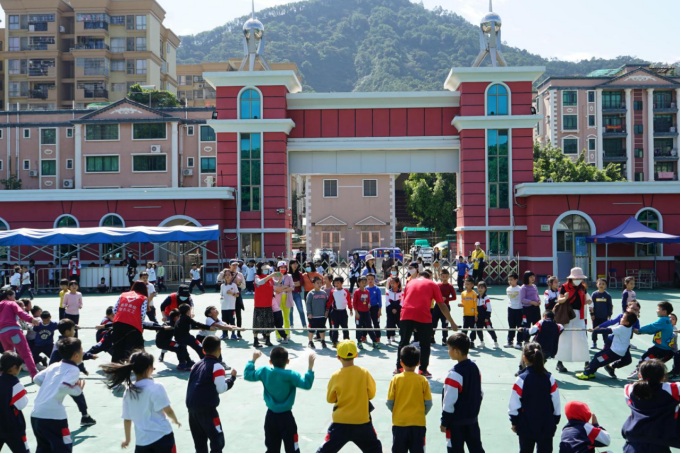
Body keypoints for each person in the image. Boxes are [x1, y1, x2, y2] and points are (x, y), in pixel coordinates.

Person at [101, 351, 181, 452]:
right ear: (149, 368)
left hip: (142, 442)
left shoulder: (128, 391)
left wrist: (127, 439)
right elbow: (168, 410)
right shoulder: (156, 387)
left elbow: (127, 419)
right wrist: (175, 420)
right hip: (163, 437)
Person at [316, 340, 382, 453]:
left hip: (340, 423)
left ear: (338, 357)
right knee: (374, 449)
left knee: (325, 450)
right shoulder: (364, 373)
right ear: (356, 355)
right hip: (362, 421)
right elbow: (371, 394)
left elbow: (330, 399)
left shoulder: (336, 376)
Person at [245, 347, 315, 453]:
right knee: (292, 448)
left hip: (271, 417)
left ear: (270, 361)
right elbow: (306, 384)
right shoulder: (291, 375)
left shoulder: (264, 371)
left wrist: (253, 360)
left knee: (272, 448)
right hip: (286, 418)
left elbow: (248, 375)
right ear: (287, 361)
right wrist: (310, 368)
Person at [396, 271, 457, 378]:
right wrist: (452, 322)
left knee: (404, 342)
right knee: (425, 344)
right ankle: (423, 370)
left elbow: (404, 300)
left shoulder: (410, 283)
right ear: (430, 277)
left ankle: (399, 368)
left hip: (406, 314)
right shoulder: (433, 284)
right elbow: (442, 305)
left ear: (419, 275)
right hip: (423, 316)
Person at [31, 337, 86, 453]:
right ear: (76, 355)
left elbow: (36, 378)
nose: (83, 351)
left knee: (43, 448)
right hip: (54, 417)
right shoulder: (74, 369)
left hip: (36, 414)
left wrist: (50, 387)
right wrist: (77, 390)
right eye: (82, 349)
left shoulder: (54, 365)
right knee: (63, 448)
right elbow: (63, 386)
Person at [186, 336, 237, 453]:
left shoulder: (195, 365)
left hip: (192, 411)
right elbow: (221, 388)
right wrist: (232, 379)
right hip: (207, 411)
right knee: (217, 441)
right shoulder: (217, 366)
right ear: (219, 350)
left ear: (203, 350)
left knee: (200, 445)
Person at [509, 342, 562, 453]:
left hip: (526, 425)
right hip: (546, 424)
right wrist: (555, 419)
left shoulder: (521, 379)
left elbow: (514, 404)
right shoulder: (550, 378)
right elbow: (556, 401)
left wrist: (514, 421)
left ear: (524, 358)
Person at [621, 359, 680, 453]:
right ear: (663, 376)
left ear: (639, 375)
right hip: (660, 442)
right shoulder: (674, 389)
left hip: (633, 442)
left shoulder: (629, 389)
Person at [441, 333, 484, 453]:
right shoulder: (475, 368)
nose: (448, 351)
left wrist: (444, 422)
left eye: (449, 348)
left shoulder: (454, 374)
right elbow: (480, 393)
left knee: (455, 449)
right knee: (476, 449)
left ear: (456, 351)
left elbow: (449, 402)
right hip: (472, 420)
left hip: (455, 423)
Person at [387, 345, 432, 453]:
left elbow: (389, 402)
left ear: (401, 362)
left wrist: (397, 411)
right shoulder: (423, 380)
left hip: (399, 423)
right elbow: (428, 403)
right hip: (418, 424)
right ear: (418, 363)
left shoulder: (396, 379)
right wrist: (421, 413)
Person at [576, 310, 637, 380]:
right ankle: (592, 372)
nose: (621, 318)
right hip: (621, 353)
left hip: (613, 352)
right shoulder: (630, 327)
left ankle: (586, 374)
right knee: (600, 359)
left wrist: (594, 330)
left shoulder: (621, 328)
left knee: (598, 358)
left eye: (623, 318)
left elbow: (607, 330)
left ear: (627, 322)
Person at [555, 267, 590, 373]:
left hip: (579, 315)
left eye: (580, 278)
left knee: (582, 337)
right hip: (568, 314)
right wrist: (565, 298)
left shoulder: (583, 287)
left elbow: (586, 299)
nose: (578, 280)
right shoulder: (564, 287)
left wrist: (588, 301)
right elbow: (559, 300)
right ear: (571, 278)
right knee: (564, 337)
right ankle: (559, 362)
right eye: (576, 278)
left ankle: (586, 362)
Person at [627, 301, 676, 379]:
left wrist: (639, 331)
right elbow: (654, 329)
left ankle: (639, 372)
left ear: (664, 311)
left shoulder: (663, 320)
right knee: (654, 363)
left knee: (644, 359)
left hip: (660, 349)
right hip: (666, 350)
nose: (657, 310)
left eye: (658, 309)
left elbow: (651, 327)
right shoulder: (667, 320)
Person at [594, 300, 642, 378]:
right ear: (627, 308)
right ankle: (591, 366)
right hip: (612, 341)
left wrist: (634, 327)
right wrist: (599, 327)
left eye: (636, 310)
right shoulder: (622, 316)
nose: (634, 311)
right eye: (632, 308)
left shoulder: (635, 320)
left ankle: (611, 367)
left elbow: (638, 330)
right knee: (603, 357)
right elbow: (611, 322)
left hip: (624, 343)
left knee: (627, 360)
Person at [0, 288, 39, 378]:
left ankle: (7, 377)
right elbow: (21, 313)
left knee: (9, 357)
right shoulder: (11, 303)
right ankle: (34, 375)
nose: (15, 298)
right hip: (14, 332)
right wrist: (31, 319)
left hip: (2, 334)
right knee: (26, 354)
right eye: (14, 295)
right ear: (9, 296)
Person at [111, 281, 148, 363]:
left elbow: (114, 310)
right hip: (133, 326)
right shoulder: (143, 298)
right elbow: (142, 315)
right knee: (132, 350)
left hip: (118, 323)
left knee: (117, 349)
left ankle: (115, 368)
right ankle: (133, 366)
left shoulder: (123, 295)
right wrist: (140, 327)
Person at [0, 352, 30, 453]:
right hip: (12, 427)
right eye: (19, 366)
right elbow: (21, 404)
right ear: (13, 367)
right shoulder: (15, 384)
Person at [517, 310, 564, 376]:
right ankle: (541, 370)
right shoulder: (559, 326)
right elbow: (561, 329)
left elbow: (531, 331)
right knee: (541, 359)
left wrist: (523, 329)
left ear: (545, 316)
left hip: (537, 348)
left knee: (526, 351)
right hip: (550, 351)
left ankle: (521, 370)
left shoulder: (542, 322)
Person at [253, 263, 279, 348]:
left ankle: (268, 340)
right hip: (259, 304)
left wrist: (280, 276)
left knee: (268, 323)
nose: (266, 270)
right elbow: (260, 282)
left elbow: (277, 283)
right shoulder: (257, 276)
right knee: (257, 323)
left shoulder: (270, 278)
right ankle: (255, 340)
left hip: (268, 304)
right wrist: (270, 275)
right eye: (264, 268)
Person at [353, 276, 377, 350]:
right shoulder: (356, 292)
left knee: (369, 326)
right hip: (359, 313)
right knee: (359, 327)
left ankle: (374, 341)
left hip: (366, 312)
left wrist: (369, 304)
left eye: (365, 282)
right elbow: (354, 303)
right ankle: (359, 342)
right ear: (358, 283)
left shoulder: (367, 291)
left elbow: (368, 300)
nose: (364, 284)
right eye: (362, 282)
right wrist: (356, 312)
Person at [433, 269, 456, 346]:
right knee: (434, 322)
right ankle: (432, 337)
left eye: (446, 276)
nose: (445, 278)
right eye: (443, 276)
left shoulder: (450, 286)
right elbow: (433, 295)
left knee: (445, 324)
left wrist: (446, 298)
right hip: (437, 307)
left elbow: (454, 297)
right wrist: (438, 298)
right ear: (440, 277)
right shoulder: (437, 285)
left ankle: (444, 339)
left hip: (446, 307)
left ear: (448, 277)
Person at [328, 277, 353, 347]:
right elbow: (330, 301)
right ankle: (334, 342)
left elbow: (349, 301)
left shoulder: (346, 291)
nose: (336, 284)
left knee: (345, 328)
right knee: (335, 328)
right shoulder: (333, 291)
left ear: (342, 283)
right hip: (334, 313)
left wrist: (350, 309)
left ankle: (347, 341)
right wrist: (327, 310)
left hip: (343, 313)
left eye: (338, 283)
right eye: (335, 283)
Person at [589, 278, 613, 349]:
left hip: (604, 317)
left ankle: (605, 344)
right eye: (600, 284)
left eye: (603, 284)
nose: (601, 285)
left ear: (606, 285)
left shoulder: (607, 295)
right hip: (596, 317)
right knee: (595, 330)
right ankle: (594, 342)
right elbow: (591, 306)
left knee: (604, 331)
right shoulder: (594, 294)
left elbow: (610, 306)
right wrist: (592, 314)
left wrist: (609, 314)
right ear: (597, 285)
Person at [306, 276, 328, 349]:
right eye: (317, 283)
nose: (319, 284)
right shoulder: (310, 293)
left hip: (322, 315)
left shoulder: (324, 293)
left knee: (322, 329)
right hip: (313, 316)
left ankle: (323, 341)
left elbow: (326, 303)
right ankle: (310, 342)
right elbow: (308, 304)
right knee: (311, 329)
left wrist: (326, 311)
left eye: (320, 283)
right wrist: (309, 313)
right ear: (313, 284)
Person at [475, 281, 498, 349]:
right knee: (479, 329)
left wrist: (487, 317)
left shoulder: (486, 298)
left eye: (482, 287)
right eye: (479, 287)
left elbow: (489, 308)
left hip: (485, 318)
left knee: (489, 329)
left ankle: (495, 342)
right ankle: (482, 342)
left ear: (485, 289)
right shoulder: (476, 297)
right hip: (478, 318)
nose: (480, 289)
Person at [274, 261, 294, 339]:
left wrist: (283, 289)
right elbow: (274, 287)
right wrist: (285, 287)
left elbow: (292, 287)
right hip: (277, 298)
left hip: (287, 298)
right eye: (281, 267)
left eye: (284, 267)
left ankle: (287, 334)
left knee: (286, 317)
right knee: (278, 318)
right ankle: (278, 335)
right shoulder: (274, 276)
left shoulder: (289, 276)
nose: (283, 269)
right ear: (278, 268)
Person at [520, 271, 542, 340]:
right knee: (527, 325)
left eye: (533, 276)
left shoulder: (534, 286)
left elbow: (537, 295)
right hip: (527, 309)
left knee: (537, 324)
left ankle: (537, 339)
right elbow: (522, 299)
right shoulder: (523, 287)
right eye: (531, 277)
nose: (533, 278)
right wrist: (531, 302)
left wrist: (539, 300)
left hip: (536, 308)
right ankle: (526, 340)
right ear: (526, 278)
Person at [458, 277, 478, 348]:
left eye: (468, 284)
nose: (466, 285)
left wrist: (476, 315)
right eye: (465, 284)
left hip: (472, 315)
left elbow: (475, 305)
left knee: (473, 329)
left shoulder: (474, 294)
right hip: (465, 314)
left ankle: (472, 341)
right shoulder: (463, 293)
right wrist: (461, 305)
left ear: (472, 285)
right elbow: (463, 303)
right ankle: (463, 341)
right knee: (465, 328)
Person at [505, 272, 524, 349]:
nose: (510, 281)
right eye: (509, 279)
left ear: (516, 280)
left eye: (511, 279)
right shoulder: (508, 289)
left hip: (519, 309)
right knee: (511, 326)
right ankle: (510, 341)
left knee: (520, 326)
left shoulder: (520, 289)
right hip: (510, 309)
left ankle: (519, 342)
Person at [220, 271, 239, 340]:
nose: (227, 276)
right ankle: (224, 334)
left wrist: (232, 293)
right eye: (226, 275)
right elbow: (221, 295)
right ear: (224, 277)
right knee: (224, 321)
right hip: (224, 307)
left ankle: (233, 334)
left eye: (229, 275)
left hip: (231, 307)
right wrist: (221, 299)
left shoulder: (234, 285)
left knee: (232, 321)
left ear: (231, 276)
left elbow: (237, 295)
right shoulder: (222, 286)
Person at [289, 260, 307, 329]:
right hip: (289, 294)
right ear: (290, 265)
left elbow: (301, 283)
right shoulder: (287, 274)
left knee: (301, 309)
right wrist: (295, 283)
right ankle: (291, 324)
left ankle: (304, 325)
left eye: (296, 263)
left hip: (297, 294)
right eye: (293, 264)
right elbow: (286, 284)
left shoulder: (299, 274)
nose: (295, 265)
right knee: (290, 310)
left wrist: (291, 284)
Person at [365, 274, 382, 345]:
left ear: (374, 280)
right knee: (366, 323)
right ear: (366, 280)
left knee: (376, 323)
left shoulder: (377, 289)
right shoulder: (365, 289)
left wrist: (380, 310)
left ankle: (377, 336)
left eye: (372, 279)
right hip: (366, 308)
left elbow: (379, 300)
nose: (370, 281)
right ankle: (364, 336)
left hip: (375, 308)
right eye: (368, 279)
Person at [385, 278, 402, 346]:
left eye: (393, 283)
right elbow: (387, 302)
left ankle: (402, 338)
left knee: (400, 324)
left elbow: (402, 302)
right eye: (391, 283)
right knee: (390, 324)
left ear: (398, 283)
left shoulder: (401, 293)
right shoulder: (388, 292)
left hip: (399, 311)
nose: (392, 284)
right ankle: (389, 338)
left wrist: (397, 309)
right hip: (390, 311)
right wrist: (392, 309)